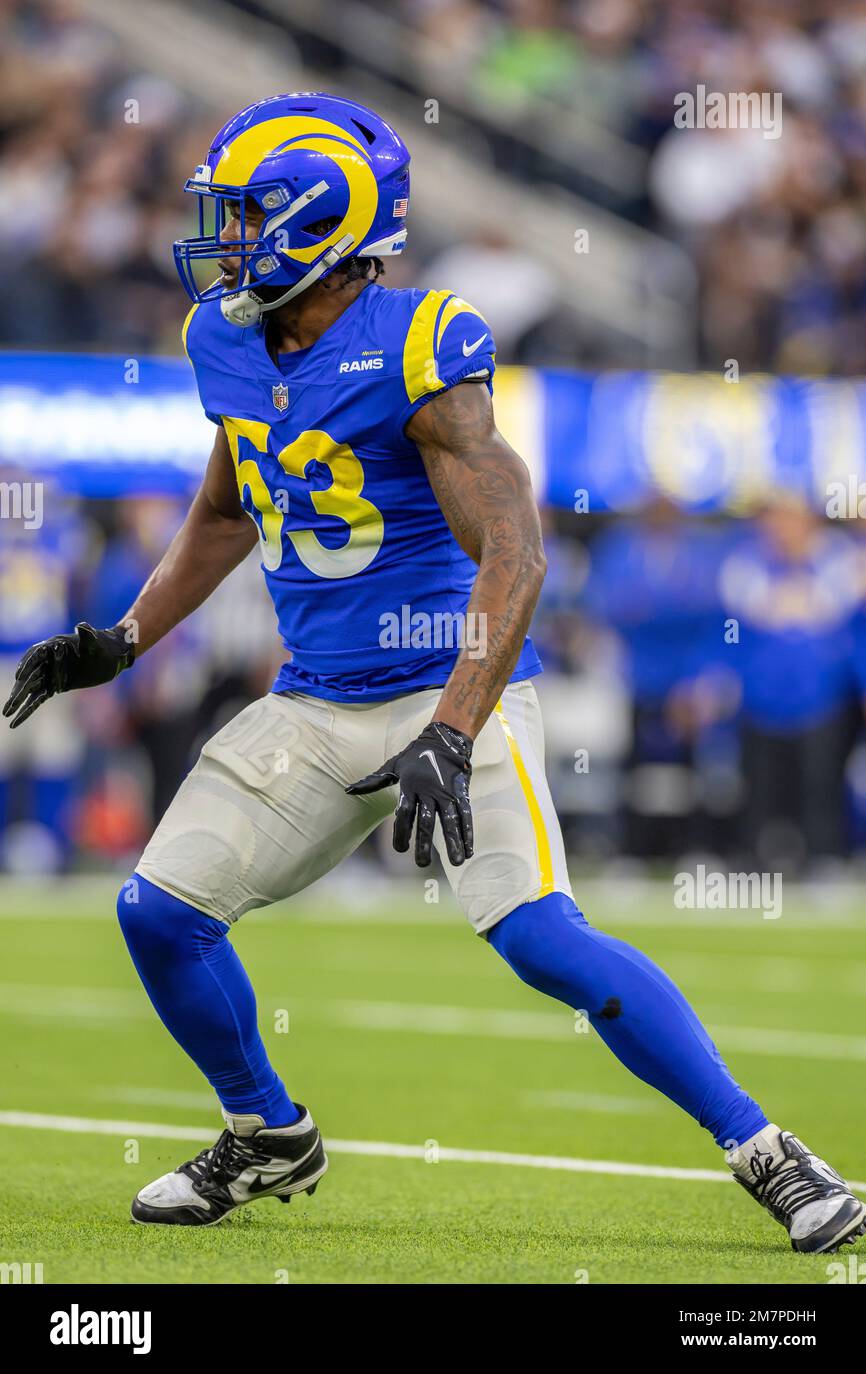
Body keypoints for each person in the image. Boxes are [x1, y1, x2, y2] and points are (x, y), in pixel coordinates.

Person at [4, 93, 863, 1254]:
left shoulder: (417, 343)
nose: (220, 236)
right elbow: (223, 507)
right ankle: (265, 1130)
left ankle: (768, 1153)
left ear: (318, 221)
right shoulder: (226, 338)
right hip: (313, 701)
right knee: (159, 914)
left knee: (538, 939)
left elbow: (514, 550)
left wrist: (453, 730)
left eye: (245, 214)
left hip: (443, 691)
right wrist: (123, 636)